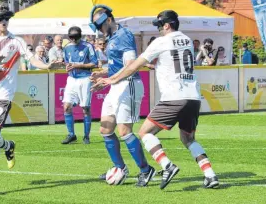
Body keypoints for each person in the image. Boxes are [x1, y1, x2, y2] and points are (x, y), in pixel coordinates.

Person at [92, 10, 219, 189]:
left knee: (145, 132)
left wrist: (111, 79)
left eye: (159, 26)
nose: (158, 29)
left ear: (167, 25)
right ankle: (210, 175)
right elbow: (171, 61)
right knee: (188, 139)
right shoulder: (188, 41)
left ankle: (167, 166)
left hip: (174, 97)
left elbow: (133, 65)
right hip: (193, 96)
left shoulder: (161, 42)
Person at [0, 1, 56, 192]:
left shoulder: (17, 41)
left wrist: (46, 66)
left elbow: (32, 59)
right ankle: (9, 146)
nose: (3, 22)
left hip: (4, 94)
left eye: (6, 18)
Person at [89, 5, 156, 187]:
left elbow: (131, 65)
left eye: (100, 27)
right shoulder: (111, 39)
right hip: (116, 85)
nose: (100, 31)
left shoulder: (124, 35)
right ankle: (120, 168)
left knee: (124, 131)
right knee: (105, 129)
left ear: (109, 20)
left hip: (128, 85)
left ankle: (146, 170)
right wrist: (102, 74)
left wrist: (110, 80)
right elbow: (116, 66)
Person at [61, 26, 98, 145]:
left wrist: (77, 65)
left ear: (80, 36)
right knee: (66, 106)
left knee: (85, 108)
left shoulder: (88, 46)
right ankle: (71, 134)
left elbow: (94, 63)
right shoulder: (67, 47)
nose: (73, 40)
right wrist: (65, 66)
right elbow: (67, 62)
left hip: (85, 79)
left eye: (75, 37)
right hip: (72, 79)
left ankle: (86, 136)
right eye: (71, 37)